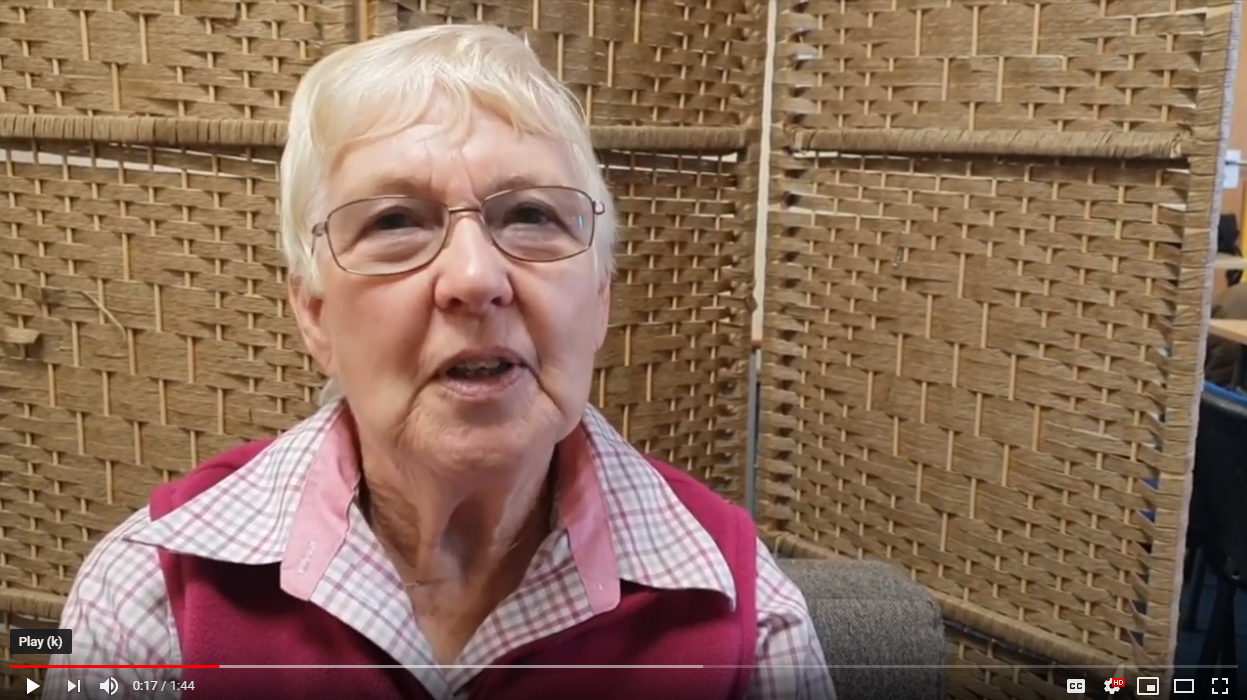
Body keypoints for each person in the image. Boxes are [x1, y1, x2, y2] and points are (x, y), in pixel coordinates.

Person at [46, 24, 834, 700]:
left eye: (530, 215)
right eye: (394, 221)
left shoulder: (743, 607)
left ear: (598, 300)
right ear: (314, 313)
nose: (473, 279)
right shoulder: (142, 591)